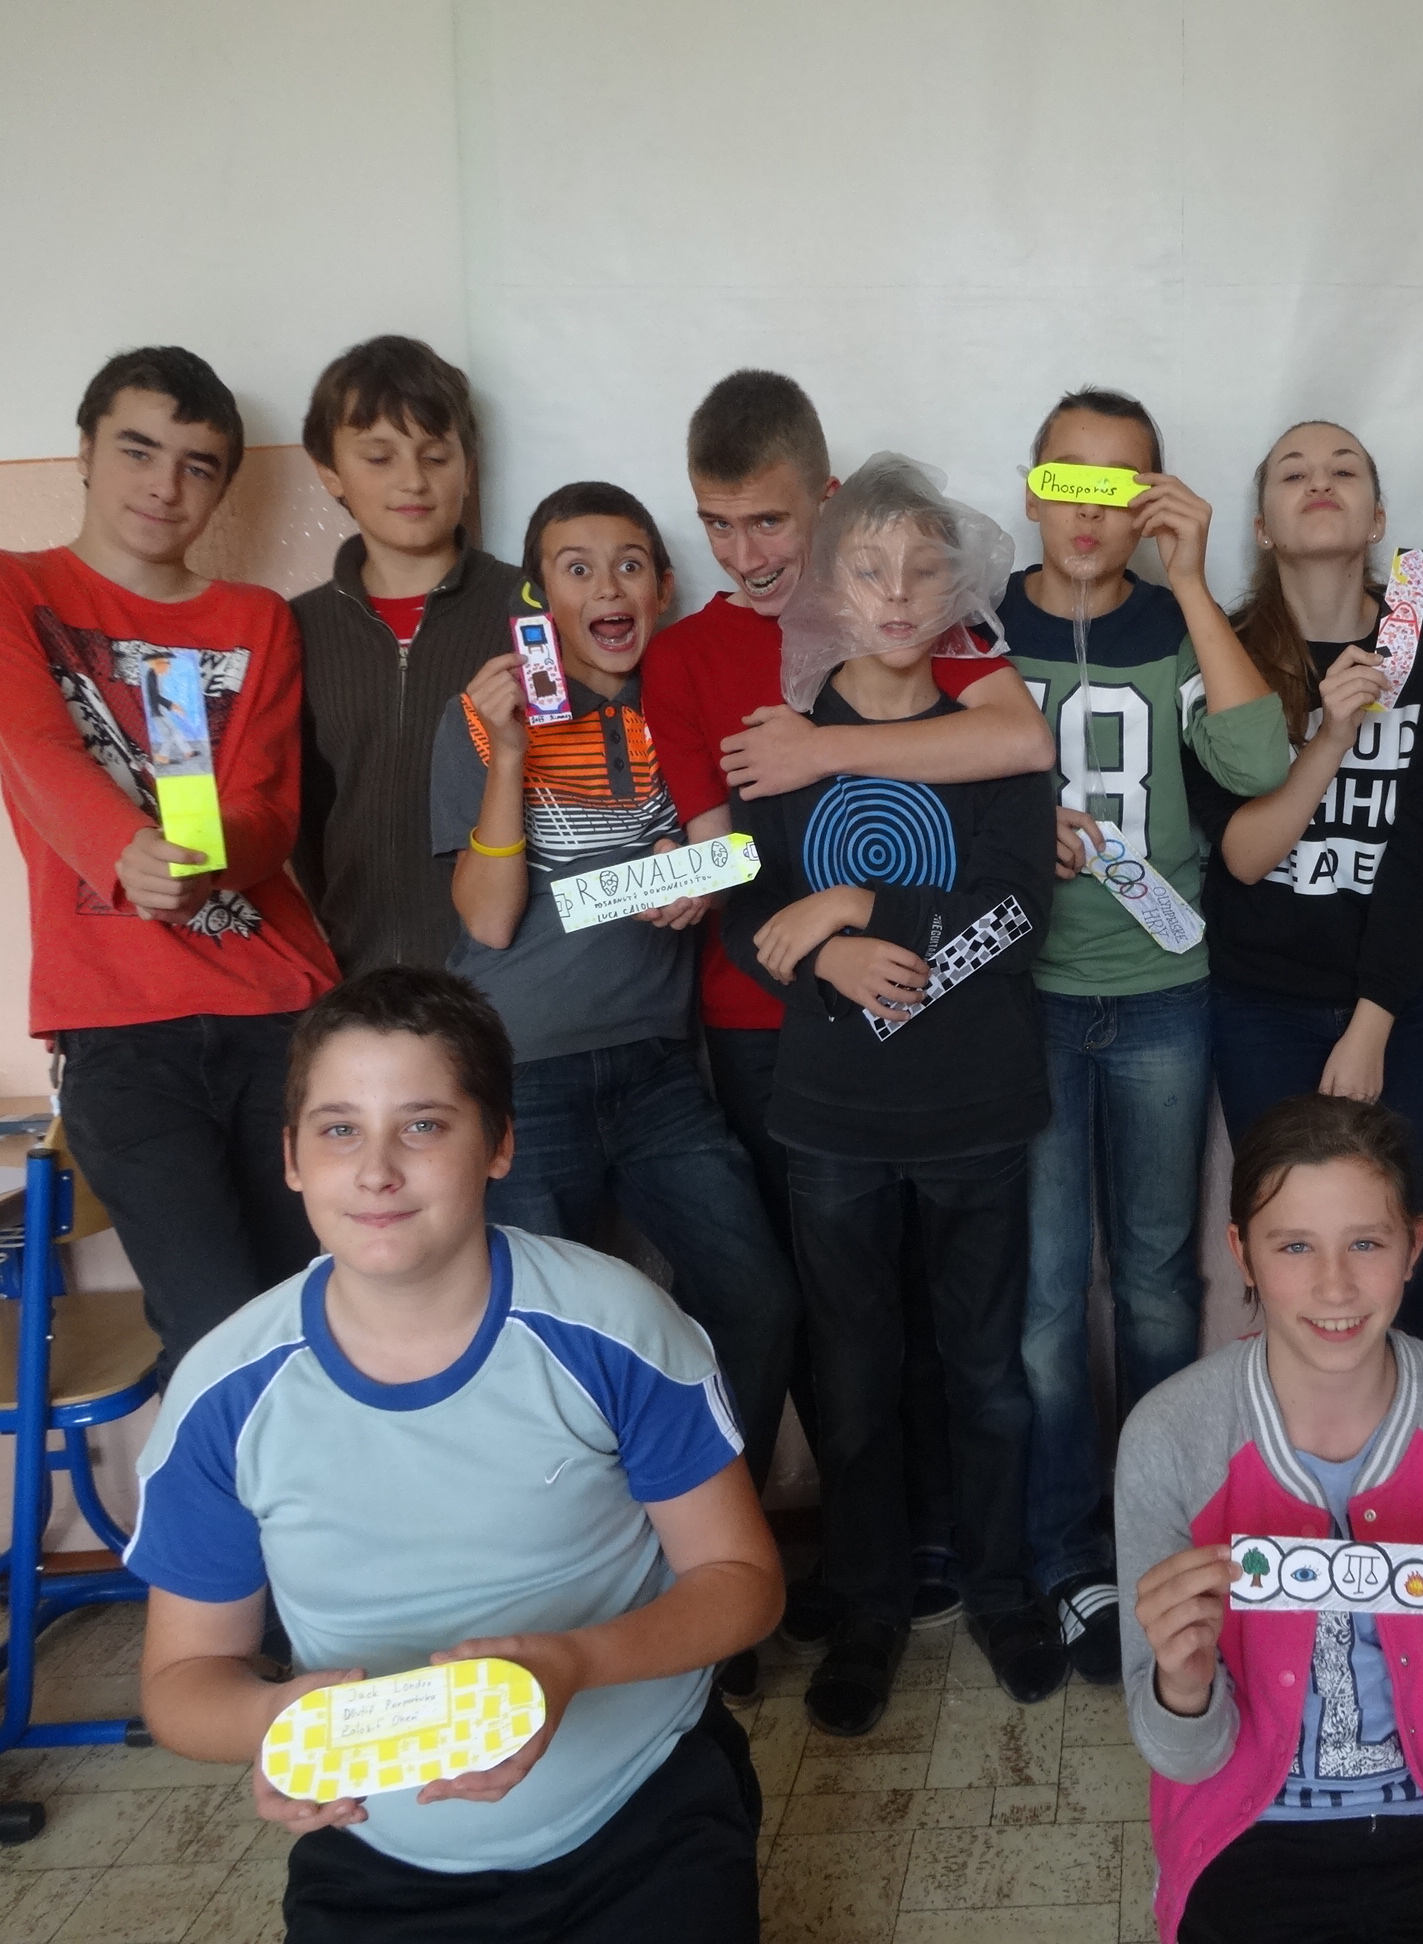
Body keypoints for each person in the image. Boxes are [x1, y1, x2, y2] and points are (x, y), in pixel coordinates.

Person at [128, 968, 782, 1943]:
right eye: (339, 1129)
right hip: (378, 1861)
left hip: (643, 1814)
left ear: (500, 1144)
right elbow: (186, 1678)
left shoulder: (613, 1326)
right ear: (292, 1157)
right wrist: (271, 1724)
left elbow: (743, 1584)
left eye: (424, 1125)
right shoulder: (225, 1393)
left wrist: (575, 1663)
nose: (377, 1171)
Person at [642, 371, 1056, 1650]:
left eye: (920, 574)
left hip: (977, 1102)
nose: (894, 597)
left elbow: (1017, 897)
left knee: (983, 1366)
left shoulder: (970, 702)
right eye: (870, 574)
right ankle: (871, 1604)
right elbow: (746, 900)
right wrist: (814, 949)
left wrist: (863, 901)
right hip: (825, 1105)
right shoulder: (773, 729)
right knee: (855, 1370)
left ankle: (998, 1590)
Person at [0, 346, 338, 1379]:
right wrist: (127, 852)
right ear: (84, 451)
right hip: (119, 1029)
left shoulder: (252, 619)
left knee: (323, 1315)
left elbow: (267, 811)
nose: (165, 485)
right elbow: (36, 751)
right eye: (138, 450)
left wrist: (203, 862)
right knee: (216, 1333)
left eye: (197, 465)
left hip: (278, 1009)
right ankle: (230, 1495)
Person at [1119, 1092, 1423, 1944]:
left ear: (1415, 1248)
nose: (1334, 1286)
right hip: (1245, 1832)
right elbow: (1181, 1753)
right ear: (1242, 1254)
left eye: (1366, 1243)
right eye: (1294, 1246)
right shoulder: (1170, 1435)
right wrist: (1181, 1685)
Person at [429, 481, 798, 1525]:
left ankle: (709, 1543)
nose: (608, 587)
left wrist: (708, 870)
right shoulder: (481, 716)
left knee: (757, 1301)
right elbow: (488, 917)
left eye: (630, 565)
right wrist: (510, 754)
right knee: (540, 1342)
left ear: (663, 586)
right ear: (538, 597)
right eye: (577, 567)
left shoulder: (679, 701)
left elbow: (747, 848)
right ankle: (579, 1559)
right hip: (521, 1069)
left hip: (658, 1067)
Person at [1002, 387, 1291, 1684]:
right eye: (1070, 479)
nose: (1089, 510)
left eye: (1121, 487)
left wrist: (1190, 579)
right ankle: (1069, 1560)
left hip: (1165, 989)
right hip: (1026, 994)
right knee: (1049, 1296)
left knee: (1163, 1284)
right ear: (1032, 489)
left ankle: (1167, 1547)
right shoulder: (983, 623)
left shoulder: (1174, 623)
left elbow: (1258, 759)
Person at [1188, 420, 1423, 1352]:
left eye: (1344, 469)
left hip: (1408, 1002)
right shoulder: (1225, 656)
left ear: (1378, 517)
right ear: (1262, 528)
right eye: (1294, 473)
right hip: (1263, 1002)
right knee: (1293, 1253)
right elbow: (1244, 856)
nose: (1321, 481)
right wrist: (1329, 734)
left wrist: (1373, 1022)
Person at [292, 335, 525, 975]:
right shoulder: (298, 628)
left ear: (468, 466)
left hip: (503, 977)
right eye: (379, 457)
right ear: (329, 470)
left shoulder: (528, 611)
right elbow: (298, 820)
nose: (413, 480)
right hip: (356, 978)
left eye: (436, 456)